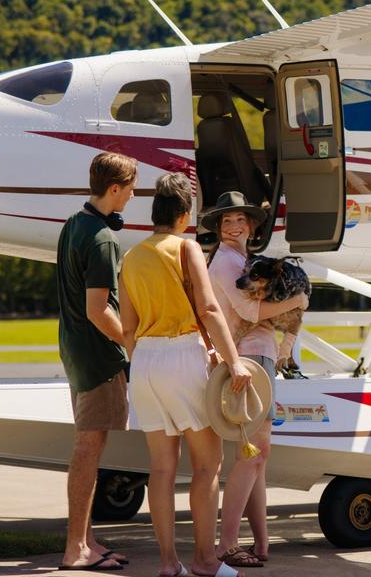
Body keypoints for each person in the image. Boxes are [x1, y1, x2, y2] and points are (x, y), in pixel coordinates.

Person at [119, 173, 254, 577]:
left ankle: (167, 563)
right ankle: (205, 560)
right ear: (184, 214)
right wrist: (234, 362)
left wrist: (142, 360)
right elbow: (210, 310)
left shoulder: (132, 255)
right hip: (183, 355)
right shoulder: (187, 248)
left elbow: (127, 327)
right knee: (206, 466)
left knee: (160, 468)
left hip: (144, 361)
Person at [203, 191, 307, 567]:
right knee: (252, 454)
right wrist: (296, 303)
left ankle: (261, 542)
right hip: (249, 356)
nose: (234, 226)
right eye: (226, 221)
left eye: (240, 220)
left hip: (256, 353)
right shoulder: (229, 263)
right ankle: (226, 544)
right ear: (218, 227)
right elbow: (248, 307)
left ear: (250, 225)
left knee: (257, 456)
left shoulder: (238, 259)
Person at [56, 152, 136, 571]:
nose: (134, 195)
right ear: (115, 189)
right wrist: (133, 343)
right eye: (131, 188)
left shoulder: (74, 224)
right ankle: (76, 549)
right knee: (89, 448)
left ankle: (86, 539)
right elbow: (98, 309)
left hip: (73, 351)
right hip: (97, 358)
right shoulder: (104, 238)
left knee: (89, 446)